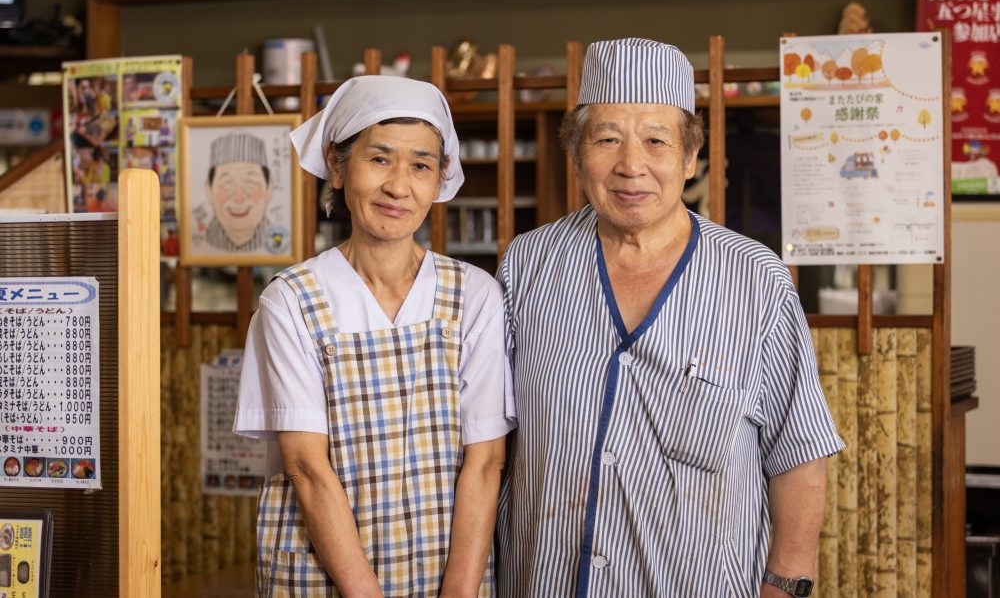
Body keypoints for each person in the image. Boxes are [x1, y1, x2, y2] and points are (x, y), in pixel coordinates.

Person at [495, 38, 844, 598]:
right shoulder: (529, 263)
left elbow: (797, 451)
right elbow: (493, 436)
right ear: (577, 153)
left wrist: (785, 585)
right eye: (607, 139)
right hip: (546, 579)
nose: (631, 165)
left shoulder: (755, 278)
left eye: (656, 140)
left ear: (688, 158)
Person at [234, 75, 515, 597]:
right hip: (323, 573)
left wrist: (458, 593)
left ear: (440, 179)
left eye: (421, 165)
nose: (399, 186)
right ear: (338, 169)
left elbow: (485, 462)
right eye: (379, 159)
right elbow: (306, 467)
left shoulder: (474, 296)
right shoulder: (291, 300)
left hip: (448, 569)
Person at [203, 132, 274, 252]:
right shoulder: (201, 243)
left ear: (269, 188)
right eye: (227, 184)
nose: (239, 197)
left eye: (250, 182)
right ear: (209, 190)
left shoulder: (277, 239)